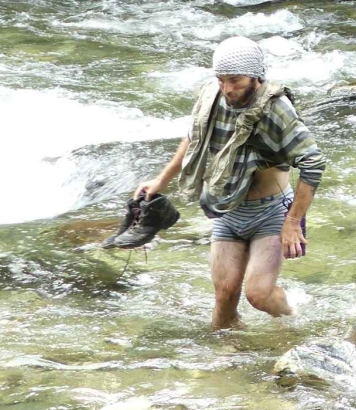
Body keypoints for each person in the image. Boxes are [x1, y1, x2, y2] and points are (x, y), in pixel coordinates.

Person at [134, 36, 326, 329]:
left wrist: (293, 222)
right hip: (228, 210)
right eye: (221, 79)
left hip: (271, 212)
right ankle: (227, 364)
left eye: (234, 80)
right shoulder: (213, 96)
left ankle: (293, 321)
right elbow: (194, 137)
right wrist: (161, 180)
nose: (227, 88)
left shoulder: (277, 110)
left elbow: (313, 162)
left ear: (255, 77)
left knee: (258, 295)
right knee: (224, 297)